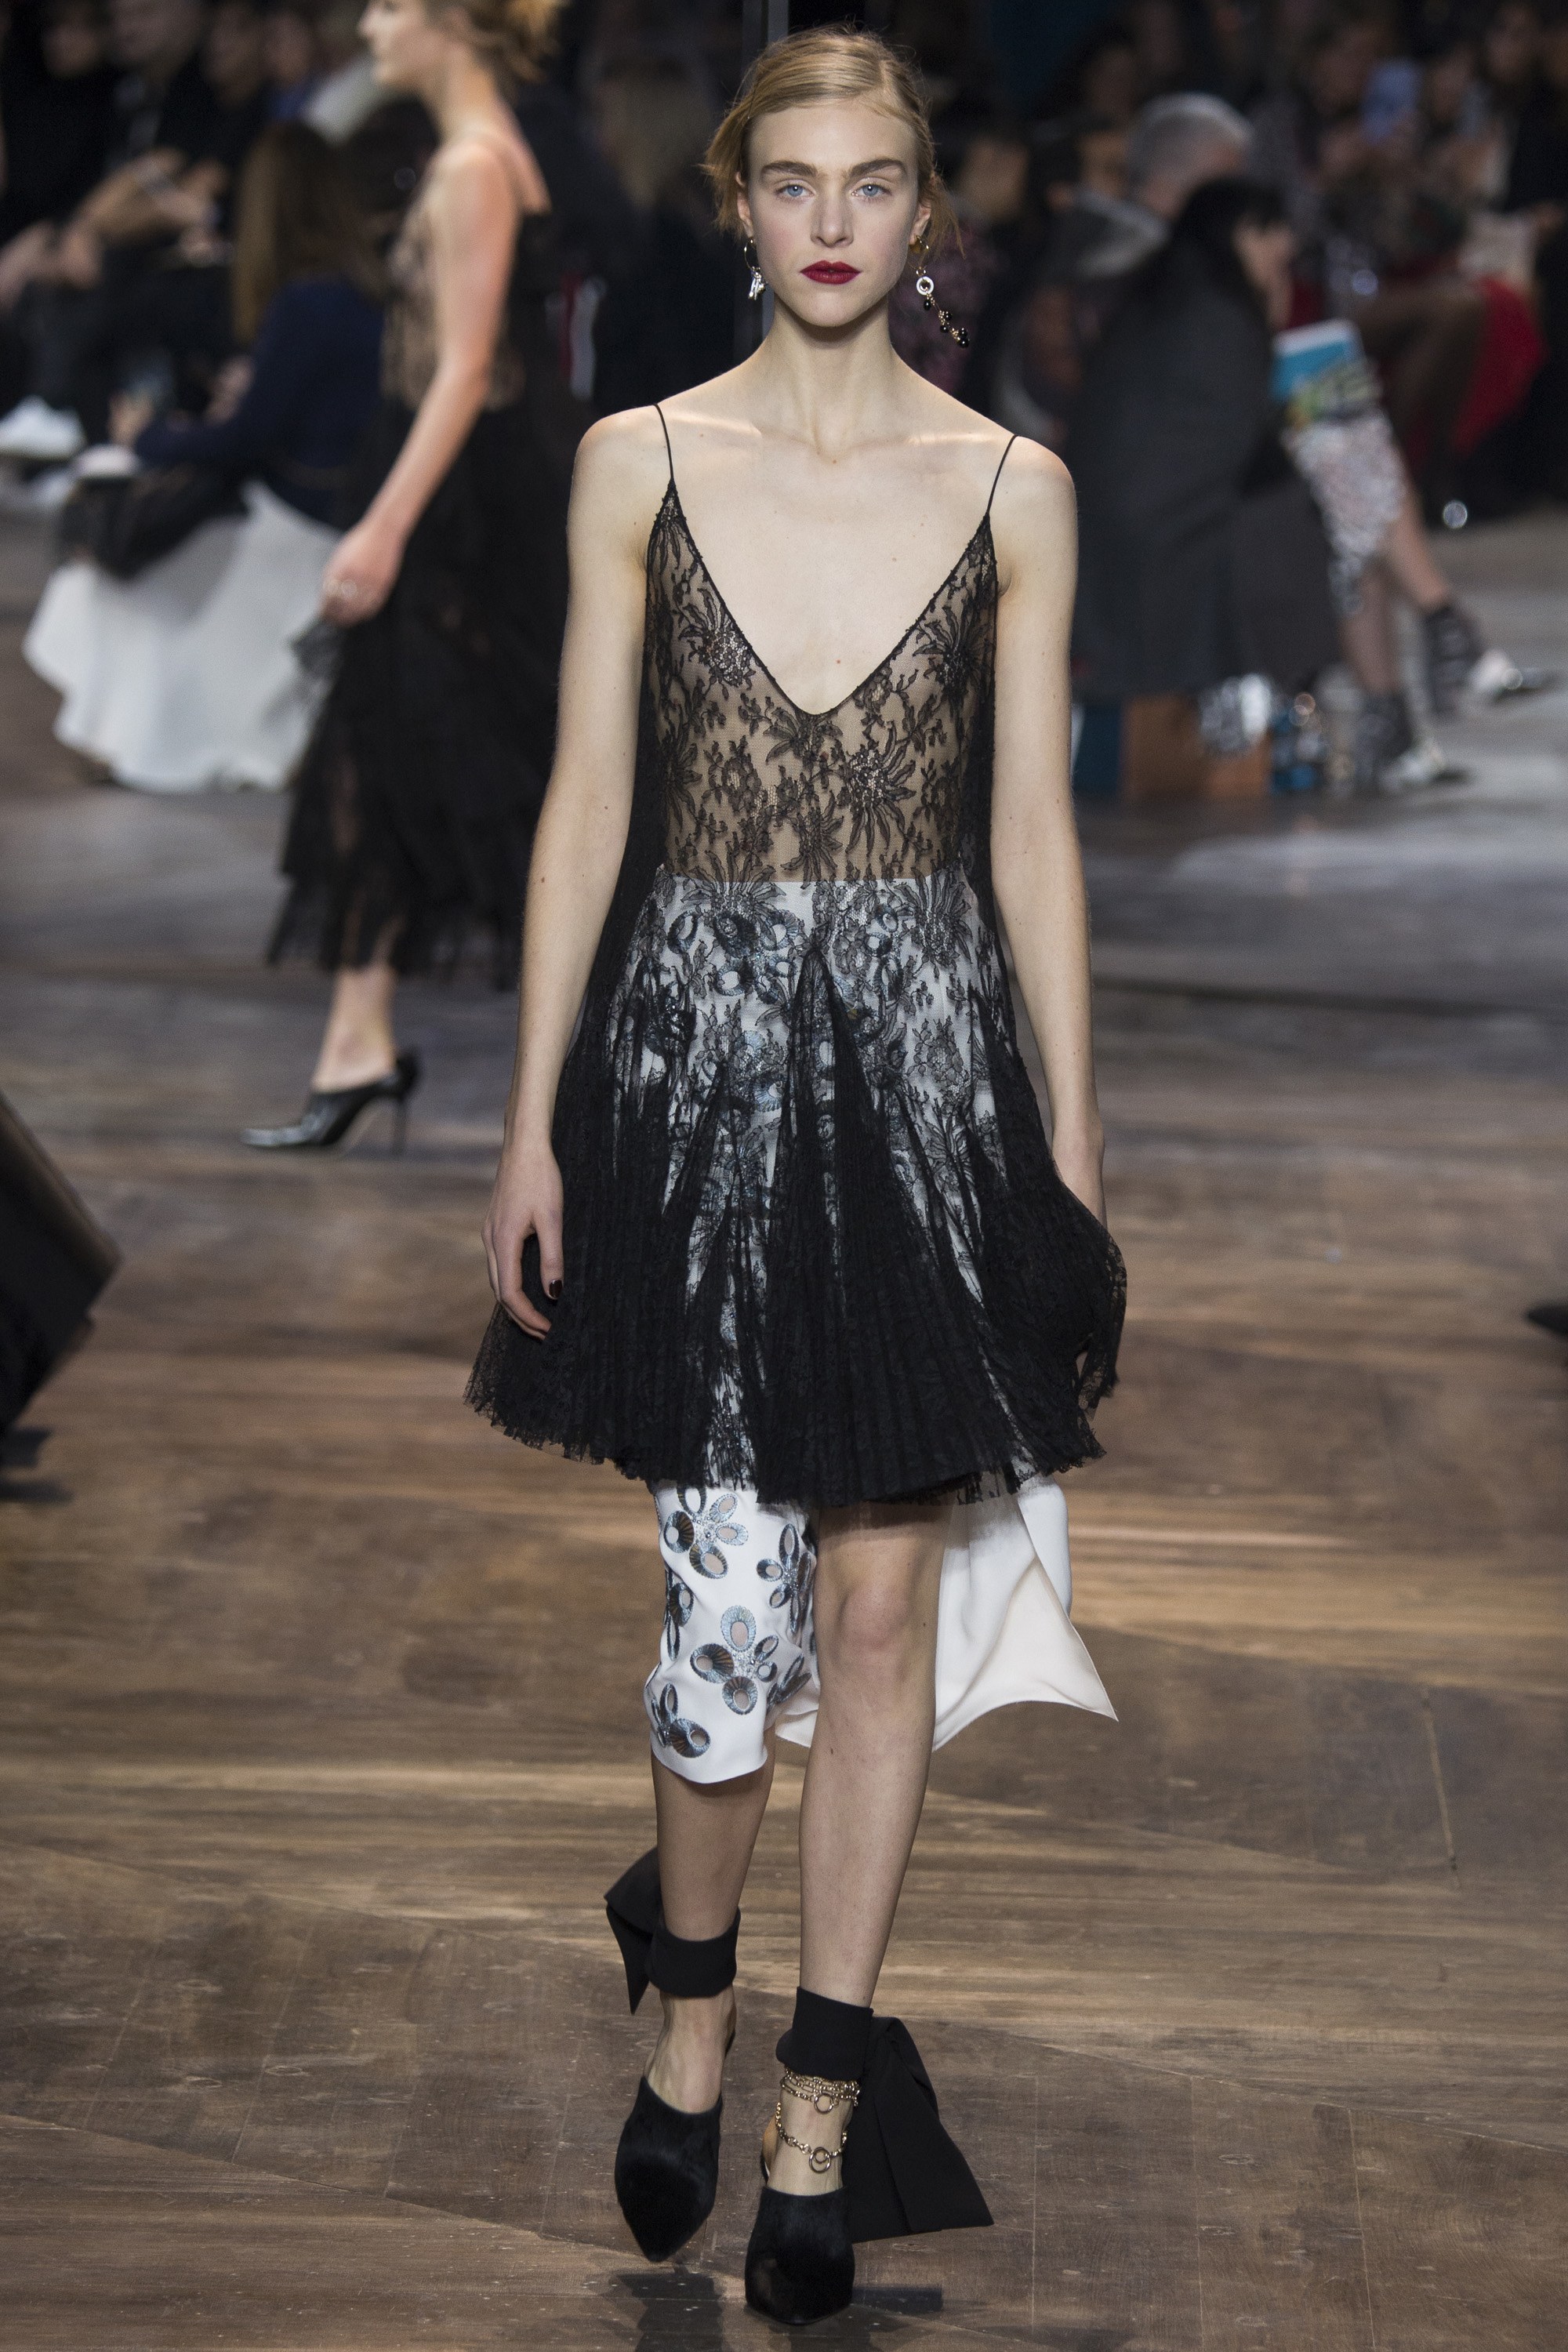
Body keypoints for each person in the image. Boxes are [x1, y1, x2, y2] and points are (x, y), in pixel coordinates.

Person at [466, 25, 1125, 2328]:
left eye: (870, 185)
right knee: (724, 1629)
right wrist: (529, 1112)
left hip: (931, 1082)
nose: (830, 223)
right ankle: (686, 2001)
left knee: (873, 1622)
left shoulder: (1013, 485)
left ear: (922, 213)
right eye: (789, 183)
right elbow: (583, 803)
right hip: (699, 1081)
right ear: (736, 204)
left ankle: (816, 2108)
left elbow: (1031, 831)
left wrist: (1070, 1136)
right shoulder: (636, 461)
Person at [244, 0, 580, 1153]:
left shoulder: (475, 164)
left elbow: (469, 368)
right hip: (458, 501)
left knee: (483, 763)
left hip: (458, 518)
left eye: (393, 4)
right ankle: (357, 1042)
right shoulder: (474, 155)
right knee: (386, 754)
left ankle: (616, 1048)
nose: (370, 25)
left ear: (454, 21)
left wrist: (385, 529)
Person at [25, 122, 382, 792]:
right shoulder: (362, 293)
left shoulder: (306, 302)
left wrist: (146, 437)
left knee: (119, 541)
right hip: (330, 506)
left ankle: (124, 732)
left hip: (295, 519)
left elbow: (244, 439)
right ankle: (128, 730)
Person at [1072, 175, 1340, 714]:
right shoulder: (1216, 315)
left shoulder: (1174, 295)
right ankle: (1350, 694)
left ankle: (1430, 633)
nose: (1285, 247)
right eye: (1270, 231)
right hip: (1160, 525)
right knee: (1314, 512)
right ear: (1236, 234)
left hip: (1127, 514)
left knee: (1337, 497)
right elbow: (1234, 442)